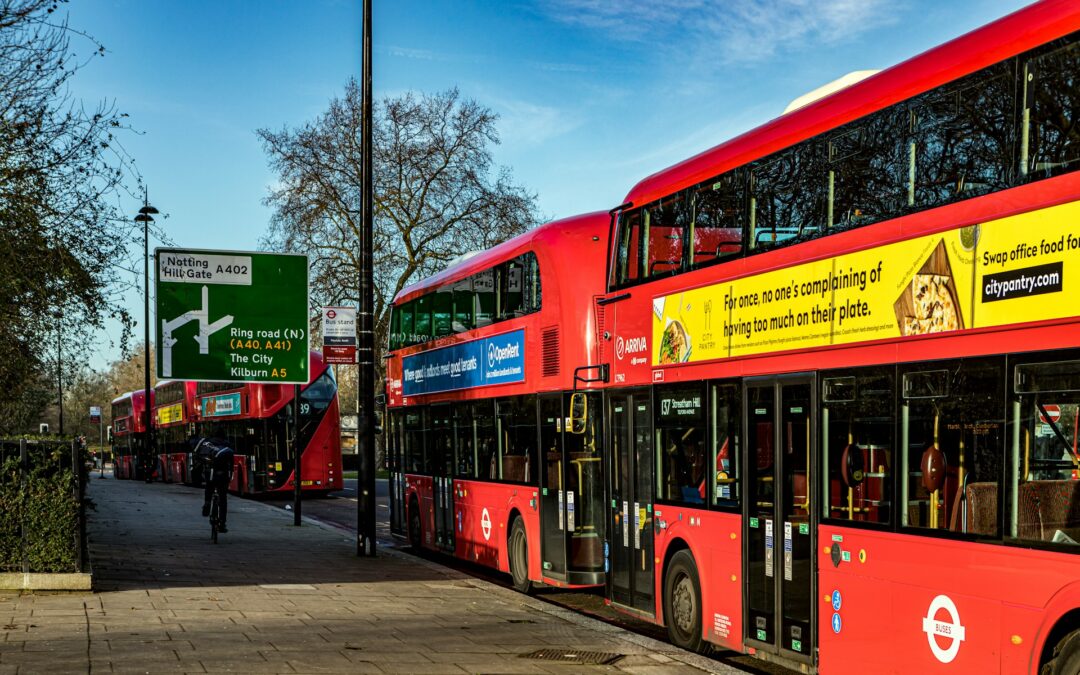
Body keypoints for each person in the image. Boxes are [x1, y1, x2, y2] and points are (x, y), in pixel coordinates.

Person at [191, 437, 234, 533]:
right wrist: (230, 477)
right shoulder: (228, 447)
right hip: (223, 475)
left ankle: (207, 504)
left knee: (209, 488)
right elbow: (231, 465)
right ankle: (222, 523)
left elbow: (198, 458)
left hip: (210, 474)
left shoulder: (207, 444)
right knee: (223, 499)